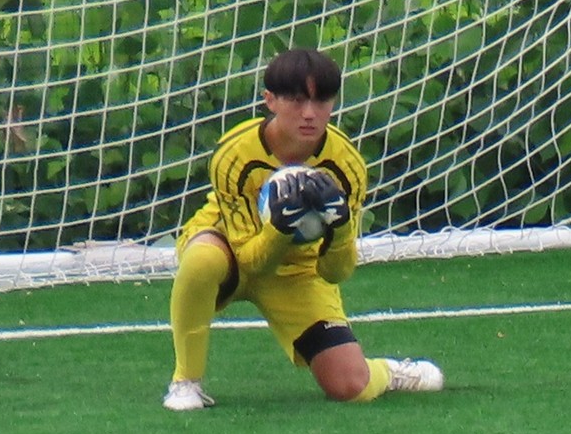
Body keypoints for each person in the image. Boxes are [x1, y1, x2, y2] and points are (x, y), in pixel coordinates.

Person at [164, 48, 443, 410]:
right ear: (270, 101)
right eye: (296, 101)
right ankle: (185, 381)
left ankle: (388, 372)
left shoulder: (347, 166)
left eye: (321, 101)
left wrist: (340, 227)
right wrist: (280, 228)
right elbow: (250, 262)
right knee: (202, 260)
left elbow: (337, 271)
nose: (310, 113)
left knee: (350, 386)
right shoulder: (234, 154)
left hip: (299, 270)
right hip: (231, 248)